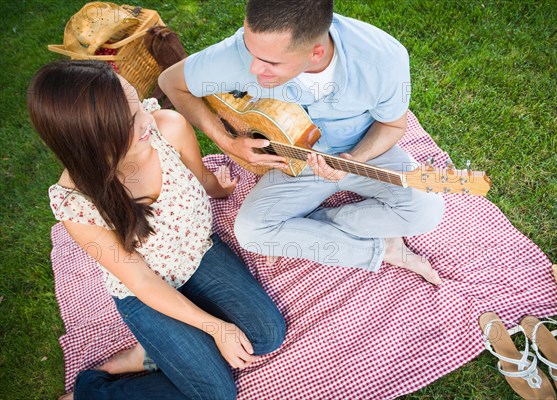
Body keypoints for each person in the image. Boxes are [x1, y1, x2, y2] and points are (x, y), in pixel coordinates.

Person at [28, 60, 285, 400]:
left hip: (198, 253)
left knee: (268, 334)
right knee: (215, 393)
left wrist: (218, 188)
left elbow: (199, 178)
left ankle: (152, 352)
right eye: (129, 122)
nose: (147, 119)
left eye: (137, 105)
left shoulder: (168, 127)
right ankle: (92, 390)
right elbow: (142, 281)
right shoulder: (76, 202)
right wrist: (215, 327)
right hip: (145, 293)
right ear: (90, 141)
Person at [159, 0, 445, 284]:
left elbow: (393, 124)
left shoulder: (383, 59)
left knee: (428, 208)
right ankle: (382, 248)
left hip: (364, 154)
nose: (254, 69)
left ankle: (318, 223)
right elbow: (171, 82)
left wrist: (355, 159)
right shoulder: (240, 54)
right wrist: (226, 142)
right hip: (292, 164)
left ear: (315, 53)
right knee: (251, 232)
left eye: (271, 63)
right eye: (250, 50)